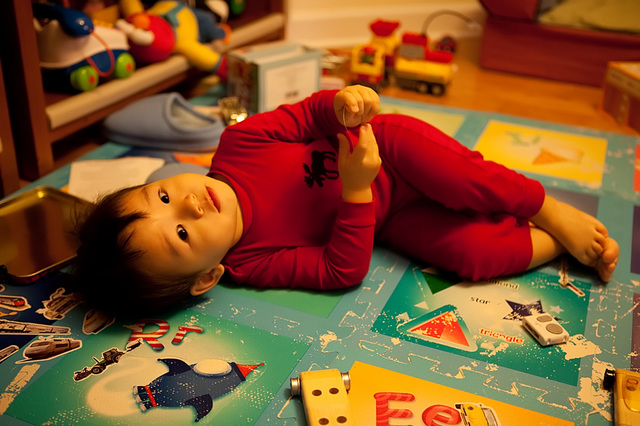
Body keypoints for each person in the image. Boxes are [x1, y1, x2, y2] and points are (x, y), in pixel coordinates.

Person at [73, 85, 619, 314]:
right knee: (471, 256)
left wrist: (344, 104)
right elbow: (341, 270)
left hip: (393, 150)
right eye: (182, 234)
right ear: (206, 278)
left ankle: (548, 208)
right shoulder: (251, 262)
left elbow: (309, 116)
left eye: (164, 194)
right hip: (389, 214)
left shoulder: (239, 143)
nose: (190, 205)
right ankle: (554, 242)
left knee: (466, 182)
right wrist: (357, 189)